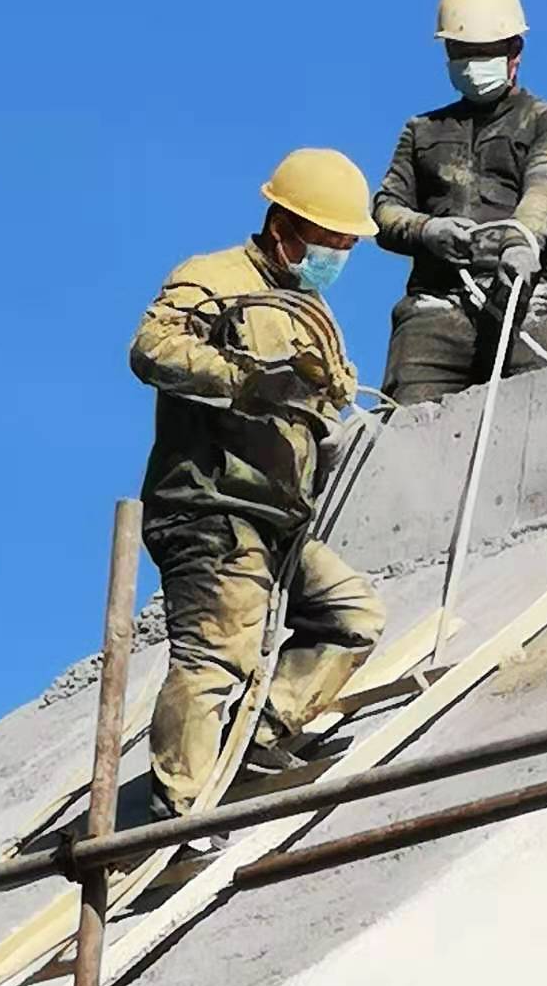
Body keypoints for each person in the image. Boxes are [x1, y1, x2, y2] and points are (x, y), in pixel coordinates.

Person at [130, 148, 385, 821]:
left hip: (279, 520)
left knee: (352, 618)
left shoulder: (312, 314)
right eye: (329, 242)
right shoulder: (213, 278)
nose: (336, 257)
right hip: (212, 508)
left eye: (344, 246)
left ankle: (254, 739)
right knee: (217, 653)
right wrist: (242, 380)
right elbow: (153, 349)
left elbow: (324, 408)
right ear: (285, 228)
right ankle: (178, 811)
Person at [374, 0, 547, 406]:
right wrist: (426, 230)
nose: (472, 64)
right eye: (461, 52)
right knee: (406, 430)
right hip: (434, 309)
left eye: (484, 53)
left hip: (525, 299)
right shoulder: (421, 131)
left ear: (514, 51)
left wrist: (521, 243)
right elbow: (384, 210)